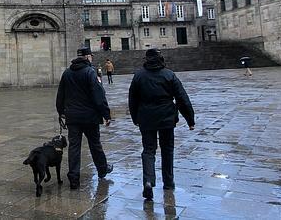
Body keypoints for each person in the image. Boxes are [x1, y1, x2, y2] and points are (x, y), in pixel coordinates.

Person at [128, 48, 195, 200]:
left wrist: (135, 118)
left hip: (146, 117)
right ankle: (169, 182)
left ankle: (148, 181)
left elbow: (132, 99)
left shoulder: (139, 76)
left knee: (148, 150)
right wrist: (190, 119)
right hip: (166, 117)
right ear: (161, 59)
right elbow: (182, 98)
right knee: (167, 150)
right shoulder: (169, 75)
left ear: (146, 59)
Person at [56, 46, 113, 189]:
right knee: (95, 144)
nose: (92, 58)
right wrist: (106, 114)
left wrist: (61, 112)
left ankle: (74, 178)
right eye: (91, 56)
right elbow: (99, 95)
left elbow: (60, 95)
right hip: (90, 117)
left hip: (73, 117)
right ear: (87, 57)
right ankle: (102, 169)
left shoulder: (67, 73)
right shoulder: (90, 72)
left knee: (74, 147)